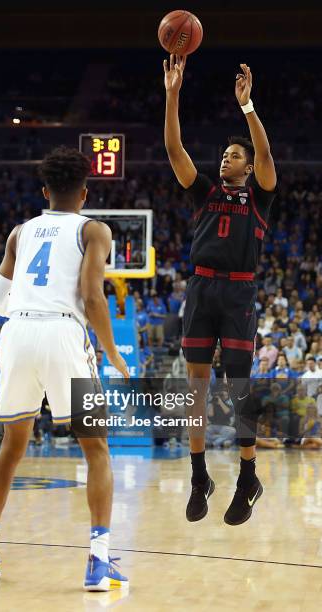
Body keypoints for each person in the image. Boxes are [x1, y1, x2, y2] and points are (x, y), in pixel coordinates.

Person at [0, 146, 129, 591]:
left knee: (11, 447)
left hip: (17, 335)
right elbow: (93, 297)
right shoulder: (95, 230)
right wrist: (112, 352)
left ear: (44, 191)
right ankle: (98, 561)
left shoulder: (20, 232)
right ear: (84, 193)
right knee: (96, 449)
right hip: (62, 334)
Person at [164, 55, 276, 525]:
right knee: (196, 388)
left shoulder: (260, 193)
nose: (225, 159)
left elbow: (267, 157)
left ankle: (248, 475)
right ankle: (198, 476)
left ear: (247, 168)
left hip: (239, 294)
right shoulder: (205, 191)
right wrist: (172, 94)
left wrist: (247, 108)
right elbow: (174, 150)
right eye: (225, 155)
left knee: (239, 388)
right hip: (202, 289)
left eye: (234, 156)